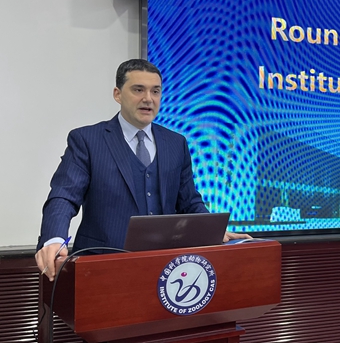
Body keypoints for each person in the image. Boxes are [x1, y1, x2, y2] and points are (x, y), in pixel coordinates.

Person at [36, 59, 249, 280]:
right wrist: (54, 238)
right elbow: (64, 196)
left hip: (166, 271)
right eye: (138, 90)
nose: (148, 98)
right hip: (101, 269)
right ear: (118, 94)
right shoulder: (87, 140)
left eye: (155, 91)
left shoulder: (176, 143)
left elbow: (189, 201)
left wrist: (212, 230)